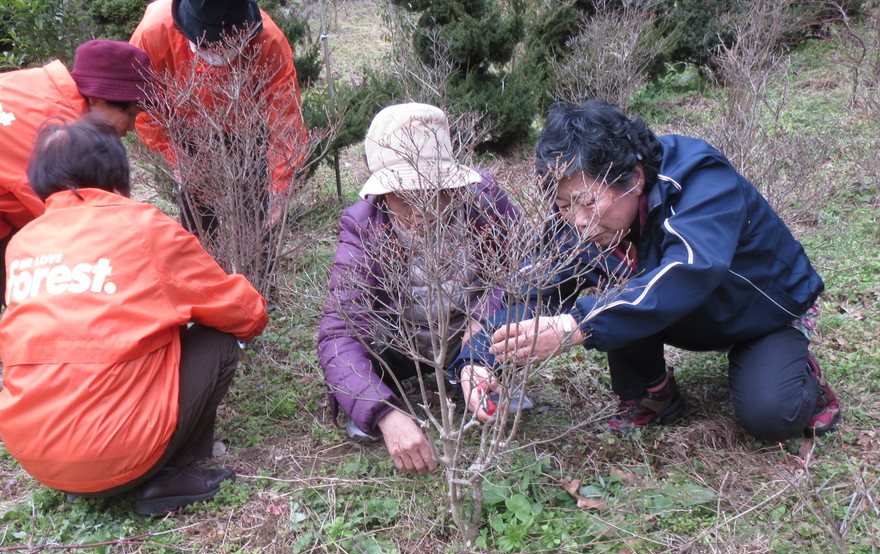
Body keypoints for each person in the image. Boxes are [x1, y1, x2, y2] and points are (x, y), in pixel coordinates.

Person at [458, 99, 840, 443]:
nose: (577, 220)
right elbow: (535, 291)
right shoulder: (578, 221)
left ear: (635, 178)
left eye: (586, 202)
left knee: (772, 416)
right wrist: (477, 360)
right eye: (561, 204)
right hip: (684, 312)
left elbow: (689, 270)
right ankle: (652, 392)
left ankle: (803, 376)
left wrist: (574, 327)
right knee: (613, 278)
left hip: (763, 311)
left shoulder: (700, 179)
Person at [0, 116, 268, 515]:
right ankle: (169, 474)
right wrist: (253, 315)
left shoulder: (24, 241)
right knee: (219, 337)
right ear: (117, 172)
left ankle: (80, 477)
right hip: (119, 453)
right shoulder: (141, 225)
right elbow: (239, 311)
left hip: (36, 457)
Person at [0, 39, 153, 417]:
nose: (129, 128)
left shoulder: (39, 88)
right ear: (102, 99)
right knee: (52, 287)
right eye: (132, 113)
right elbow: (73, 218)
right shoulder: (55, 129)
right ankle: (76, 396)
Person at [317, 103, 525, 474]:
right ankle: (376, 399)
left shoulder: (485, 202)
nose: (424, 207)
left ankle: (477, 377)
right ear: (382, 192)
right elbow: (339, 332)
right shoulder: (364, 226)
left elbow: (517, 277)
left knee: (516, 313)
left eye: (435, 190)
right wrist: (382, 413)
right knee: (366, 359)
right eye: (405, 194)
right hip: (402, 342)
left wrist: (478, 349)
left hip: (468, 332)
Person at [130, 0, 307, 234]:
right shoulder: (154, 33)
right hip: (185, 127)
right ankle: (203, 263)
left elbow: (285, 117)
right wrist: (175, 154)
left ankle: (256, 267)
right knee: (198, 219)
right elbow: (144, 105)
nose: (218, 53)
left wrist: (279, 185)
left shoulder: (268, 39)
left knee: (259, 219)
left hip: (248, 130)